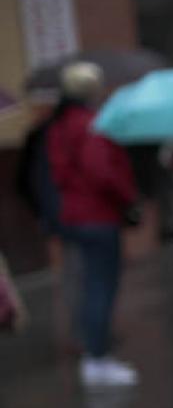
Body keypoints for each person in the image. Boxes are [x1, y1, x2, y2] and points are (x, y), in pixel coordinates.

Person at [46, 62, 140, 387]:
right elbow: (101, 171)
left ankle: (94, 354)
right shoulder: (89, 124)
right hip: (98, 216)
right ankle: (98, 357)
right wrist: (128, 196)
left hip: (75, 214)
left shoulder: (59, 126)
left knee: (88, 286)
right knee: (101, 287)